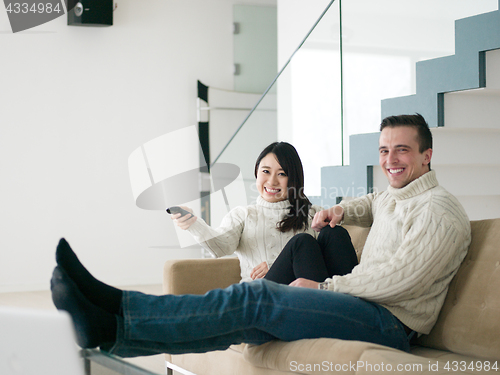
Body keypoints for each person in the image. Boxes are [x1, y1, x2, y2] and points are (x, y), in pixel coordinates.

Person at [50, 114, 471, 357]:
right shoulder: (394, 196)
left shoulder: (440, 210)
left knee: (254, 297)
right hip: (364, 305)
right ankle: (111, 325)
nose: (390, 159)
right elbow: (374, 201)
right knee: (250, 316)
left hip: (391, 324)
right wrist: (341, 210)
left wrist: (324, 285)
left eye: (402, 150)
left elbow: (401, 280)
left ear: (426, 156)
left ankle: (116, 310)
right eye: (384, 150)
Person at [172, 141, 357, 282]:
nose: (272, 181)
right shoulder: (244, 215)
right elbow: (221, 246)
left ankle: (350, 308)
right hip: (263, 297)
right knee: (302, 242)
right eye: (266, 171)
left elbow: (323, 267)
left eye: (282, 174)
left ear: (294, 179)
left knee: (335, 232)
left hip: (306, 295)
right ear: (256, 172)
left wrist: (280, 265)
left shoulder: (313, 214)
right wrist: (194, 224)